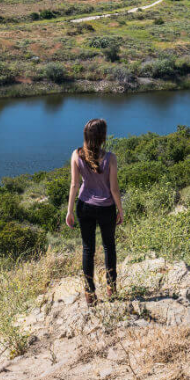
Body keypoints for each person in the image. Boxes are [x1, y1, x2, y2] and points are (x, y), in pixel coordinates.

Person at [65, 118, 123, 306]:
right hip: (106, 207)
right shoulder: (110, 158)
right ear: (103, 137)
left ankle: (89, 294)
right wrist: (120, 210)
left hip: (84, 206)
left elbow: (74, 184)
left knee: (88, 249)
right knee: (109, 247)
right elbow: (114, 189)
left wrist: (70, 211)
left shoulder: (76, 155)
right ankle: (112, 289)